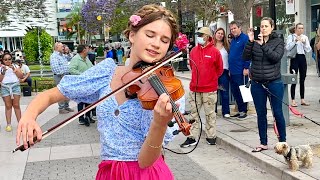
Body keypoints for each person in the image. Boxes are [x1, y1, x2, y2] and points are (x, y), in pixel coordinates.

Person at [16, 4, 180, 179]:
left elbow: (145, 162)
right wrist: (29, 116)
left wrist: (160, 124)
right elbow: (50, 95)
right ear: (132, 35)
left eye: (164, 40)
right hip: (109, 173)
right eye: (150, 35)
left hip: (148, 174)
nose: (156, 44)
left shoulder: (164, 90)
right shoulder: (107, 72)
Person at [243, 17, 286, 152]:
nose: (263, 28)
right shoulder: (254, 42)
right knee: (261, 113)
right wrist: (250, 42)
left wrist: (263, 45)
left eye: (266, 26)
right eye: (261, 26)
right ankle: (263, 142)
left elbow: (275, 58)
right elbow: (245, 57)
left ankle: (283, 143)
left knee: (277, 113)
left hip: (274, 82)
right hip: (257, 84)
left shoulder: (278, 41)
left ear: (272, 27)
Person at [180, 27, 223, 148]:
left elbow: (219, 70)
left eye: (201, 34)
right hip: (194, 88)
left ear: (207, 36)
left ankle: (211, 136)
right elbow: (192, 67)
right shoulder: (193, 51)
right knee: (193, 114)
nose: (198, 36)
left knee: (210, 114)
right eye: (198, 34)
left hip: (209, 89)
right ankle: (192, 137)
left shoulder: (215, 52)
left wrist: (211, 79)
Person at [286, 23, 312, 107]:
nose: (300, 30)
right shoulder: (291, 37)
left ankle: (302, 99)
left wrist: (304, 43)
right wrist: (295, 41)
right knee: (294, 79)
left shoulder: (305, 37)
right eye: (299, 28)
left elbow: (308, 49)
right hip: (294, 58)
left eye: (302, 28)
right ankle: (293, 100)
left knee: (302, 79)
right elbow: (287, 48)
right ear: (295, 29)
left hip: (302, 57)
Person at [229, 20, 251, 119]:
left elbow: (248, 53)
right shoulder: (233, 40)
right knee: (235, 91)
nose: (233, 30)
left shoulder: (245, 39)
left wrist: (246, 67)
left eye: (234, 28)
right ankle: (240, 109)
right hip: (233, 70)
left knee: (244, 90)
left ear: (239, 28)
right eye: (231, 29)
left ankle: (244, 111)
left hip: (241, 70)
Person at [69, 45, 94, 126]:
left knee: (88, 100)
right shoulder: (76, 59)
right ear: (83, 50)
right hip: (80, 83)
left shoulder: (86, 58)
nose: (88, 50)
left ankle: (88, 116)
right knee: (81, 101)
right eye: (87, 49)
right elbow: (71, 69)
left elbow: (91, 67)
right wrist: (82, 75)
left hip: (88, 82)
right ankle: (81, 118)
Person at [0, 53, 24, 132]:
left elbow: (21, 76)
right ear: (3, 60)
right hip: (5, 87)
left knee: (16, 105)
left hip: (15, 86)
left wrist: (15, 70)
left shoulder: (15, 66)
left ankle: (20, 123)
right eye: (5, 59)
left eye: (9, 59)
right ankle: (8, 124)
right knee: (8, 106)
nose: (7, 61)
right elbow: (0, 79)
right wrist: (3, 71)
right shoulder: (1, 68)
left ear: (11, 59)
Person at [50, 42, 74, 114]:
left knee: (67, 92)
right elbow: (55, 68)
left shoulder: (62, 55)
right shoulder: (54, 56)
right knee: (60, 92)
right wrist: (62, 74)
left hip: (66, 75)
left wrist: (68, 52)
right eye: (61, 47)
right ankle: (61, 108)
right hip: (60, 76)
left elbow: (70, 58)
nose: (63, 48)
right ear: (57, 48)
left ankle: (66, 106)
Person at [214, 27, 231, 118]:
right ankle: (214, 111)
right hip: (213, 73)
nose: (220, 35)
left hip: (224, 72)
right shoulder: (211, 46)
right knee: (213, 93)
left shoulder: (227, 46)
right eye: (218, 33)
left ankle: (226, 111)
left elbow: (230, 59)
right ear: (215, 34)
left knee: (224, 92)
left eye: (222, 33)